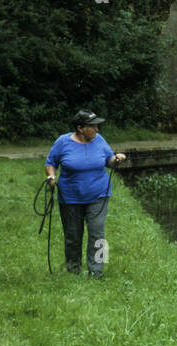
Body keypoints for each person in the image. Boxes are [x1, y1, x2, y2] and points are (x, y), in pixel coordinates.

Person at [44, 110, 127, 278]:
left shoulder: (99, 140)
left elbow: (109, 161)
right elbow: (50, 162)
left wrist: (116, 159)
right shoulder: (63, 142)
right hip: (70, 197)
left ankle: (97, 271)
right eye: (93, 126)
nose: (97, 129)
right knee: (73, 235)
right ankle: (73, 269)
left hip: (98, 194)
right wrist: (51, 176)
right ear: (80, 128)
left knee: (98, 234)